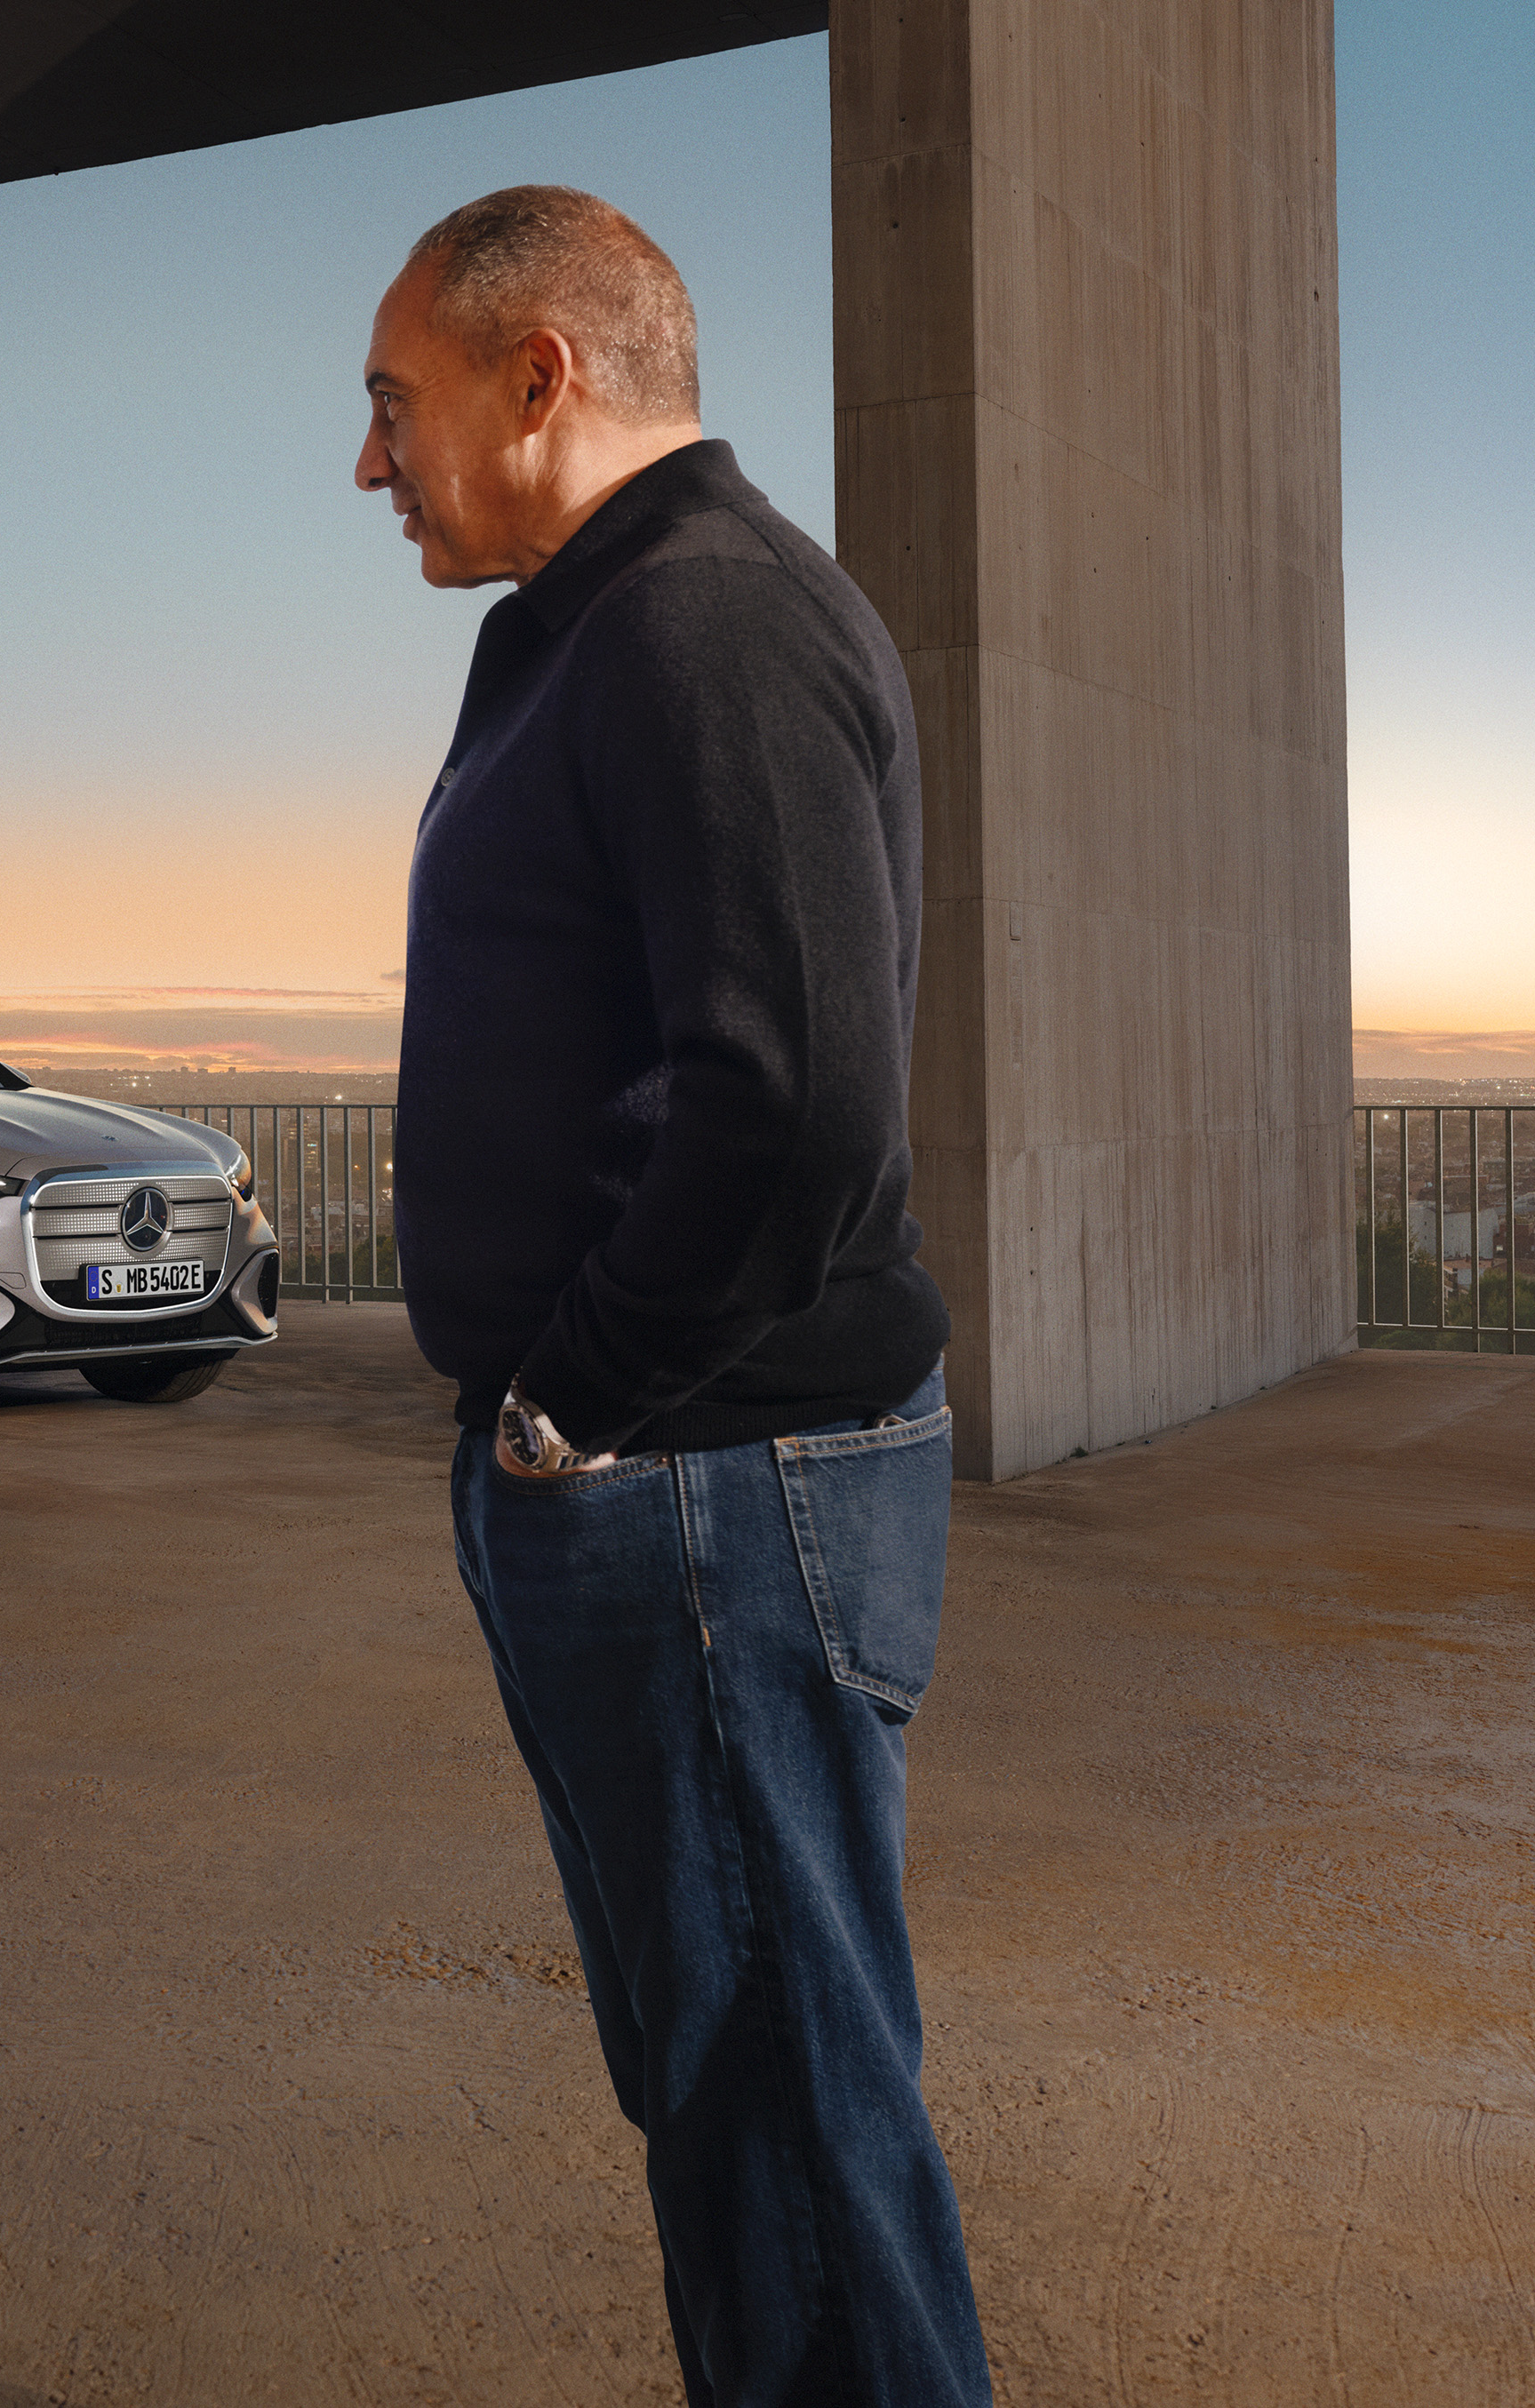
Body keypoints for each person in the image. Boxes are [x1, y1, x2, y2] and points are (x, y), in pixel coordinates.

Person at [356, 187, 989, 2408]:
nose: (368, 460)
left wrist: (576, 1404)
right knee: (736, 2103)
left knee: (784, 2120)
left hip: (711, 1477)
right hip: (661, 1477)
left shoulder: (701, 618)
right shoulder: (591, 625)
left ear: (541, 377)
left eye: (395, 400)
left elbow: (794, 1104)